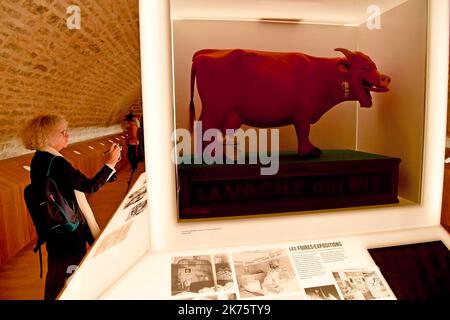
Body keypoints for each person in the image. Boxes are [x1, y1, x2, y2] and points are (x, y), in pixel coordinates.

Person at [21, 114, 121, 300]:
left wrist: (108, 169)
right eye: (63, 133)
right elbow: (89, 186)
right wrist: (111, 163)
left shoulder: (39, 158)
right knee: (70, 273)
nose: (67, 136)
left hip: (53, 226)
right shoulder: (56, 162)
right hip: (69, 228)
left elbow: (69, 185)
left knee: (57, 274)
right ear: (47, 136)